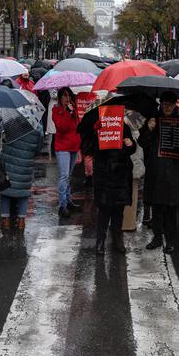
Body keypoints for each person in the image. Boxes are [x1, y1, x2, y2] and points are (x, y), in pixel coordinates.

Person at [139, 91, 179, 254]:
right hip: (156, 171)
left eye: (170, 104)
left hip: (174, 172)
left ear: (175, 105)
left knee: (171, 209)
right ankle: (157, 238)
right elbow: (142, 143)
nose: (167, 107)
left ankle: (170, 240)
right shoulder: (153, 120)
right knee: (157, 207)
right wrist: (148, 129)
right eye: (164, 104)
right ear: (161, 104)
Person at [83, 116, 137, 255]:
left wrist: (130, 144)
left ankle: (117, 239)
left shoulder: (124, 127)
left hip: (120, 175)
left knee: (118, 210)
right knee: (104, 211)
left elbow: (131, 150)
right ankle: (100, 241)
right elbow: (88, 149)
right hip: (104, 175)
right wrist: (95, 133)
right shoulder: (97, 126)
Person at [0, 122, 43, 231]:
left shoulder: (10, 123)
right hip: (25, 164)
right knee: (23, 192)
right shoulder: (37, 128)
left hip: (9, 162)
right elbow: (38, 149)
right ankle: (21, 221)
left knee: (6, 190)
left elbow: (3, 140)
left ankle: (5, 221)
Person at [52, 87, 81, 218]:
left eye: (69, 96)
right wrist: (66, 113)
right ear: (60, 97)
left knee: (69, 175)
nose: (67, 99)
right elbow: (62, 128)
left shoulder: (73, 109)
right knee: (64, 176)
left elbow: (77, 126)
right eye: (64, 96)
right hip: (63, 147)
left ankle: (69, 200)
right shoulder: (56, 110)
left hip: (74, 146)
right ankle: (62, 205)